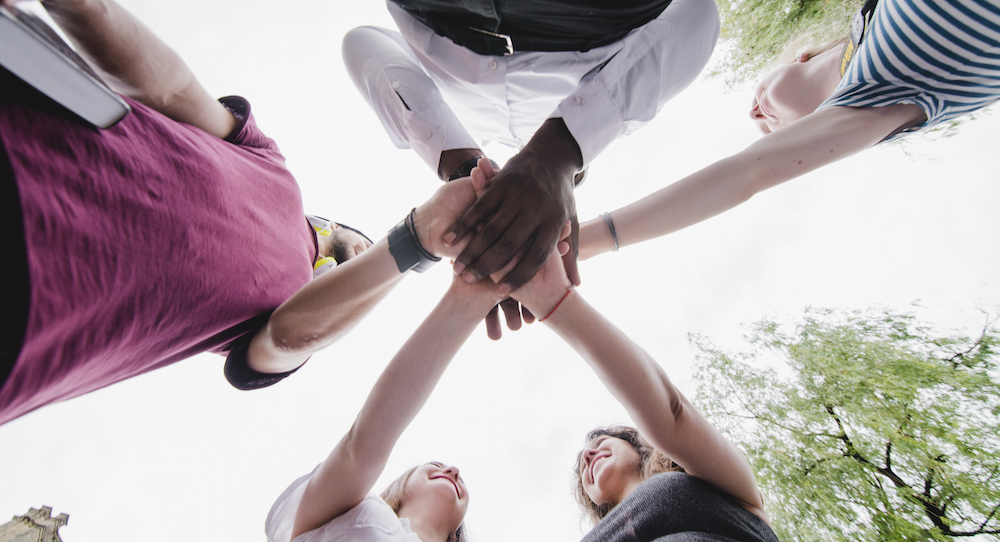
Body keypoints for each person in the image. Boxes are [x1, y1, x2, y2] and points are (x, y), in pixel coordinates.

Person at [0, 0, 472, 425]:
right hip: (21, 146)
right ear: (329, 223)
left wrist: (415, 244)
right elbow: (171, 89)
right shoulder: (269, 165)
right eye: (353, 252)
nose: (343, 266)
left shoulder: (289, 319)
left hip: (29, 322)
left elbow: (290, 337)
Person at [342, 0, 721, 308]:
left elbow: (362, 43)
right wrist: (558, 153)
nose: (519, 202)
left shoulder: (466, 118)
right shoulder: (629, 98)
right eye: (574, 178)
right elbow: (698, 15)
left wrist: (465, 173)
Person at [471, 160, 774, 541]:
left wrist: (555, 301)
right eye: (585, 459)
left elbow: (671, 415)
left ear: (641, 446)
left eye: (602, 440)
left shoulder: (729, 493)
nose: (588, 453)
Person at [574, 0, 1000, 261]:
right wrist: (582, 242)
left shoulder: (872, 20)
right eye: (773, 136)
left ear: (797, 57)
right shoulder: (871, 108)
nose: (756, 118)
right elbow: (744, 175)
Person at [263, 220, 524, 542]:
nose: (454, 471)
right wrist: (468, 300)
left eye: (444, 467)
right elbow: (366, 443)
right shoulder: (352, 512)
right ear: (400, 485)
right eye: (436, 465)